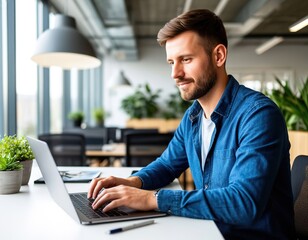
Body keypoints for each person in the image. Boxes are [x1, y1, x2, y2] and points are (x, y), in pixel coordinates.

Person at [88, 9, 295, 240]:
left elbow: (243, 203)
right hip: (209, 230)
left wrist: (150, 199)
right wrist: (132, 182)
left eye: (186, 59)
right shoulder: (193, 118)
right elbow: (167, 165)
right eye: (171, 62)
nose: (175, 74)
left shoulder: (258, 115)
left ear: (218, 56)